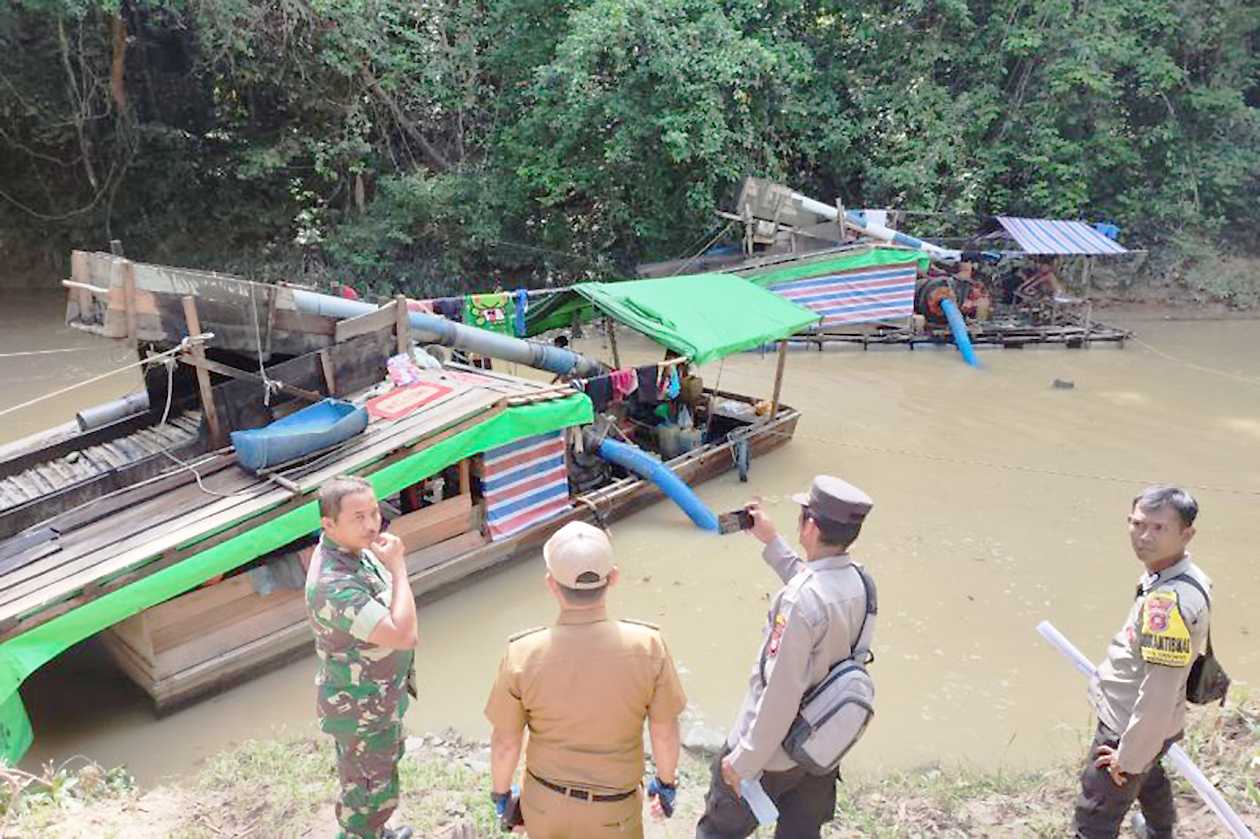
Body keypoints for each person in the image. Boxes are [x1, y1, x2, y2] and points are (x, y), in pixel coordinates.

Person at [697, 475, 876, 839]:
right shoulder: (861, 582)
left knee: (717, 832)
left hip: (770, 756)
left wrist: (743, 762)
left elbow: (780, 694)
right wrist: (772, 542)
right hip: (819, 751)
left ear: (810, 526)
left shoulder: (798, 601)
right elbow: (816, 589)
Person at [484, 521, 688, 838]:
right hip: (614, 811)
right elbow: (663, 732)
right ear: (614, 578)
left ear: (551, 584)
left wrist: (501, 796)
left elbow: (505, 742)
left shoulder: (522, 653)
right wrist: (666, 783)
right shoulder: (648, 647)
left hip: (544, 805)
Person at [1073, 486, 1212, 838]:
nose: (1144, 536)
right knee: (1149, 778)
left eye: (1159, 528)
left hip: (1130, 724)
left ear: (1187, 533)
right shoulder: (1179, 576)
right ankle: (1159, 831)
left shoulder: (1168, 604)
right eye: (1137, 524)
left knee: (1095, 817)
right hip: (1154, 726)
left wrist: (1128, 756)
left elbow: (1158, 694)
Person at [305, 475, 419, 839]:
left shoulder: (355, 552)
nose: (372, 525)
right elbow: (403, 634)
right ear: (329, 524)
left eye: (374, 513)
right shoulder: (333, 584)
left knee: (378, 781)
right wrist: (399, 568)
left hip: (376, 698)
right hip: (360, 707)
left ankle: (378, 833)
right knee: (366, 797)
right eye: (359, 517)